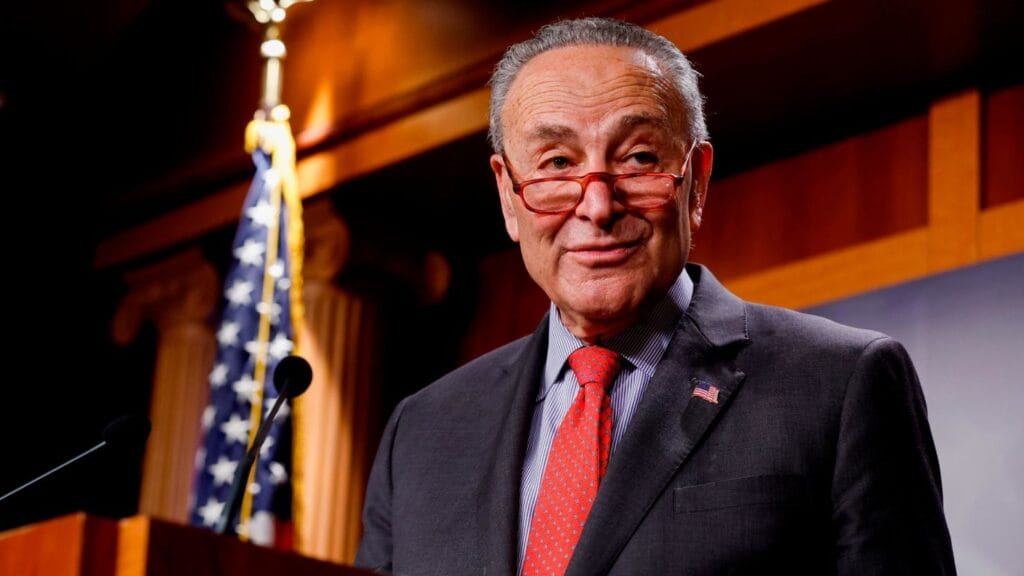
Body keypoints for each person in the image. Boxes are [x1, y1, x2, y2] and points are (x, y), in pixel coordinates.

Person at [355, 16, 956, 575]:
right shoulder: (422, 432)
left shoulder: (841, 383)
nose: (596, 206)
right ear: (508, 196)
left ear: (696, 182)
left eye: (640, 158)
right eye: (558, 163)